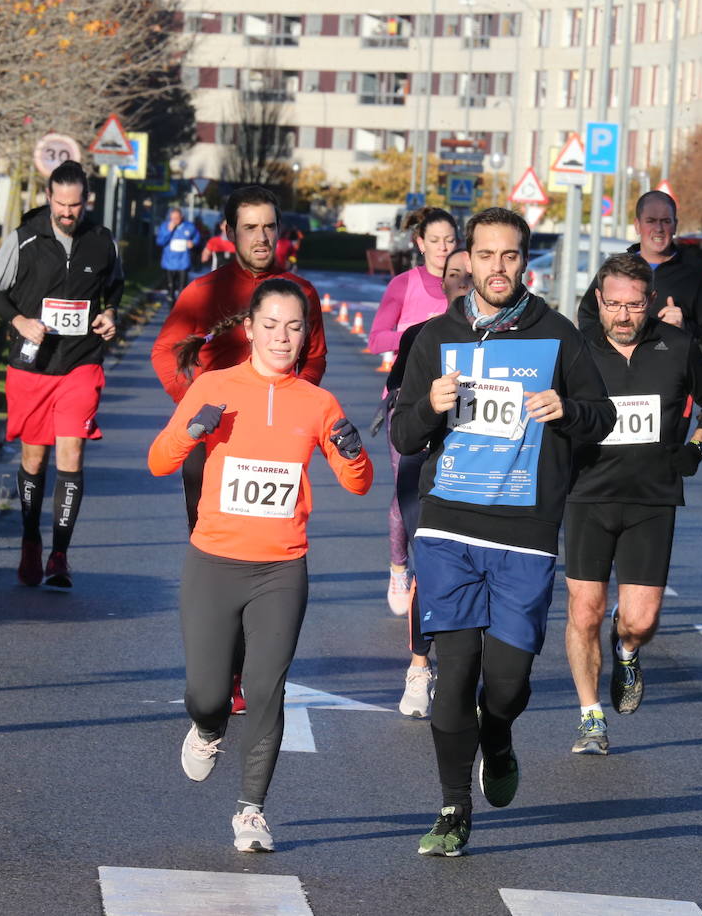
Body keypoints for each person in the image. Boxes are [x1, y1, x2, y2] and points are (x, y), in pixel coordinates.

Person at [390, 207, 615, 856]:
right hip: (449, 531)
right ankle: (454, 807)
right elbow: (404, 434)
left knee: (509, 684)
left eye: (509, 257)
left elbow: (600, 419)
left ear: (525, 262)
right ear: (469, 258)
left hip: (524, 533)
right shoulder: (436, 336)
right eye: (485, 255)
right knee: (454, 678)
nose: (496, 268)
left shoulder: (559, 336)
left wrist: (568, 410)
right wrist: (430, 407)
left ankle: (501, 736)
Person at [148, 279, 373, 853]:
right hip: (214, 561)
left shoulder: (318, 402)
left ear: (305, 337)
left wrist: (351, 450)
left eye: (294, 327)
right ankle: (206, 727)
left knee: (268, 691)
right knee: (206, 693)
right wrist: (192, 432)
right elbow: (158, 460)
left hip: (281, 569)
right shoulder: (215, 385)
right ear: (248, 329)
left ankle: (252, 810)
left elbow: (359, 483)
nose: (282, 336)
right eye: (270, 325)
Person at [564, 253, 702, 755]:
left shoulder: (676, 347)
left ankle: (628, 649)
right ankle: (591, 718)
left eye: (633, 306)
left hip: (652, 499)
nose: (622, 316)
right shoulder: (576, 350)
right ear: (598, 301)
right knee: (584, 611)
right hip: (588, 494)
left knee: (641, 620)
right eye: (613, 304)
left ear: (650, 303)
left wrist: (697, 445)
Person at [152, 185, 328, 533]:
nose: (262, 237)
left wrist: (291, 401)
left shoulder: (301, 291)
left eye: (269, 227)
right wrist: (193, 402)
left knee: (272, 535)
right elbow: (164, 352)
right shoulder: (203, 291)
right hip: (212, 433)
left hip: (273, 432)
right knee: (207, 535)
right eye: (250, 228)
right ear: (230, 232)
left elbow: (314, 357)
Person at [0, 160, 123, 589]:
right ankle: (30, 542)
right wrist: (20, 320)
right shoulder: (25, 239)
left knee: (71, 453)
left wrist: (110, 312)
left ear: (86, 201)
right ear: (48, 197)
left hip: (81, 362)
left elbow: (113, 285)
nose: (67, 212)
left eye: (75, 205)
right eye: (60, 203)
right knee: (33, 457)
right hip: (32, 366)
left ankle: (60, 555)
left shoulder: (102, 241)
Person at [380, 248, 473, 720]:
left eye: (468, 275)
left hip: (485, 474)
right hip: (427, 466)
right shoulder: (421, 335)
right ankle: (420, 667)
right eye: (453, 274)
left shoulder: (509, 339)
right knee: (430, 567)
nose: (461, 282)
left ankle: (471, 674)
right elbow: (399, 400)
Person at [368, 207, 461, 617]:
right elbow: (375, 340)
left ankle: (441, 571)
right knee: (407, 488)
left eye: (450, 240)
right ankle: (398, 566)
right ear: (420, 244)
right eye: (435, 240)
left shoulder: (467, 283)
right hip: (408, 396)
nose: (443, 248)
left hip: (459, 399)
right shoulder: (405, 284)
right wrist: (421, 331)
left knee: (449, 487)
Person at [577, 190, 702, 356]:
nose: (659, 228)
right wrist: (611, 346)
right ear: (637, 225)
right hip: (618, 372)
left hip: (669, 373)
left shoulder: (694, 273)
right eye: (651, 221)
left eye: (665, 221)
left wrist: (684, 329)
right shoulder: (615, 269)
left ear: (675, 225)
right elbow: (587, 318)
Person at [157, 207, 201, 302]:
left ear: (181, 217)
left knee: (182, 288)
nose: (175, 221)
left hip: (183, 262)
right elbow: (160, 242)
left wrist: (193, 243)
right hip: (169, 262)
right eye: (172, 218)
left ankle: (180, 307)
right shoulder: (165, 226)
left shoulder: (189, 227)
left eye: (177, 218)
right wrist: (169, 231)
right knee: (171, 287)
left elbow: (197, 237)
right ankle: (171, 303)